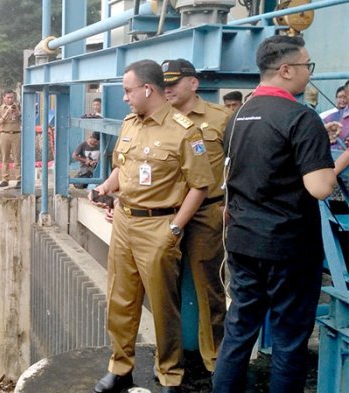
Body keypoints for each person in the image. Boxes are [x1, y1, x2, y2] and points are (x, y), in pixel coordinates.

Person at [213, 35, 336, 393]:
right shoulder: (301, 117)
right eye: (306, 66)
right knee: (289, 337)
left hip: (243, 241)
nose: (308, 74)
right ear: (286, 69)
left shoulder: (237, 117)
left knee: (239, 330)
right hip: (288, 248)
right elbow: (321, 187)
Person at [90, 59, 214, 393]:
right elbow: (123, 166)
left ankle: (170, 373)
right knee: (120, 300)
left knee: (162, 306)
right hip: (125, 222)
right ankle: (120, 367)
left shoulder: (184, 130)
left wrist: (174, 229)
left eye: (128, 91)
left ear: (148, 88)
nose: (126, 98)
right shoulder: (130, 123)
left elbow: (200, 186)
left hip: (159, 227)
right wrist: (105, 187)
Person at [162, 58, 231, 376]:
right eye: (165, 83)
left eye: (175, 81)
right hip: (165, 213)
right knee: (165, 287)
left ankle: (215, 358)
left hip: (207, 213)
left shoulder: (221, 119)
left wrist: (231, 205)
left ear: (193, 83)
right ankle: (170, 360)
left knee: (210, 286)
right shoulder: (158, 118)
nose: (168, 88)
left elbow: (239, 164)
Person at [0, 90, 22, 188]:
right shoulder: (0, 109)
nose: (10, 99)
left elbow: (23, 118)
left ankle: (19, 179)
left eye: (12, 97)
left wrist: (17, 113)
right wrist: (6, 114)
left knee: (17, 158)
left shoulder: (18, 107)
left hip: (16, 134)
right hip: (4, 134)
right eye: (8, 97)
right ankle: (5, 179)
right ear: (4, 98)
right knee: (4, 158)